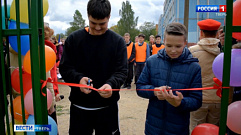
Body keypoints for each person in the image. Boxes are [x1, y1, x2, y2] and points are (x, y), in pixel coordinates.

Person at [59, 0, 127, 134]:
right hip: (79, 108)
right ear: (87, 16)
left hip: (108, 109)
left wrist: (111, 85)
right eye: (93, 23)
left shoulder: (118, 42)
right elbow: (65, 68)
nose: (97, 28)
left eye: (102, 23)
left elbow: (122, 71)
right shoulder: (73, 39)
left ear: (109, 17)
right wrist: (78, 80)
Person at [136, 22, 202, 135]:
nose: (173, 50)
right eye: (169, 46)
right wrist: (154, 91)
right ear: (164, 42)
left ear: (185, 43)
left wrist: (181, 102)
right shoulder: (152, 61)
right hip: (153, 127)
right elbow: (140, 87)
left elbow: (197, 101)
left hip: (178, 129)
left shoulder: (194, 67)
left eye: (178, 46)